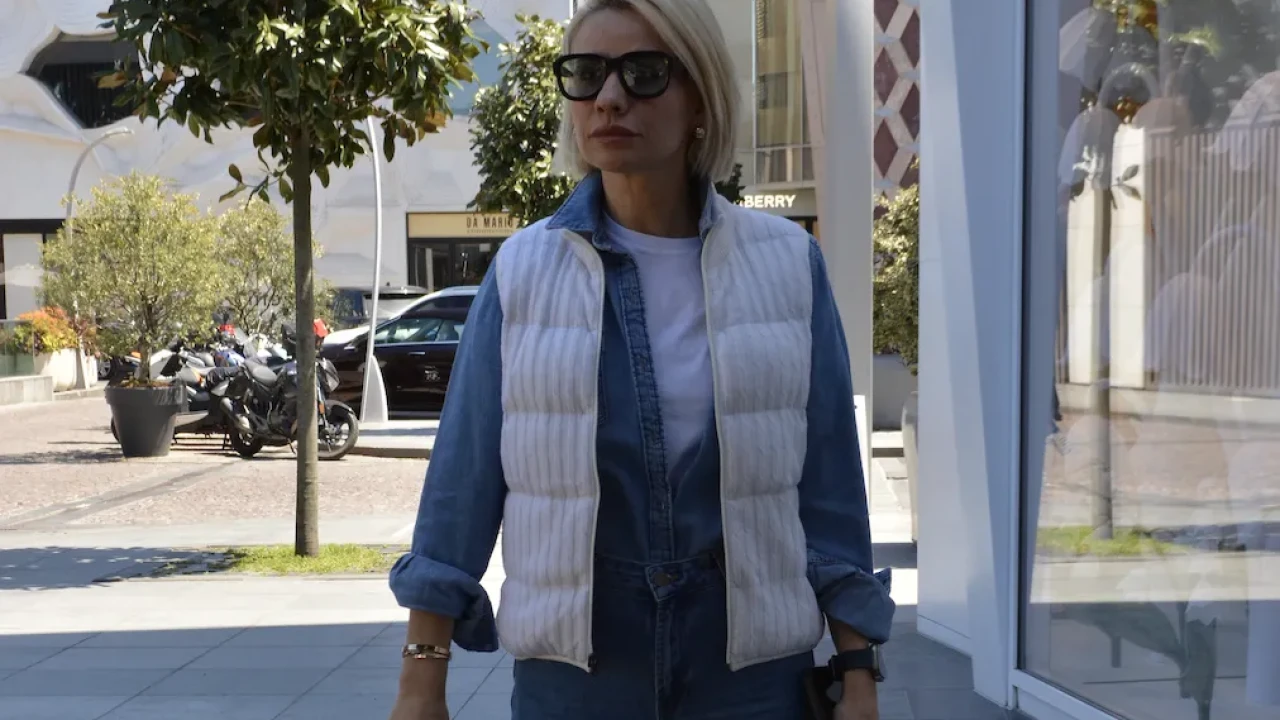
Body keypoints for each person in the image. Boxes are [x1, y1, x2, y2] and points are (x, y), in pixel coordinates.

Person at [387, 0, 894, 717]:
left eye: (644, 72)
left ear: (700, 100)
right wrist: (421, 681)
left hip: (749, 678)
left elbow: (830, 490)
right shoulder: (524, 271)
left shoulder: (786, 264)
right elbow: (460, 485)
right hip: (578, 676)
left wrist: (858, 672)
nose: (610, 97)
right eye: (586, 74)